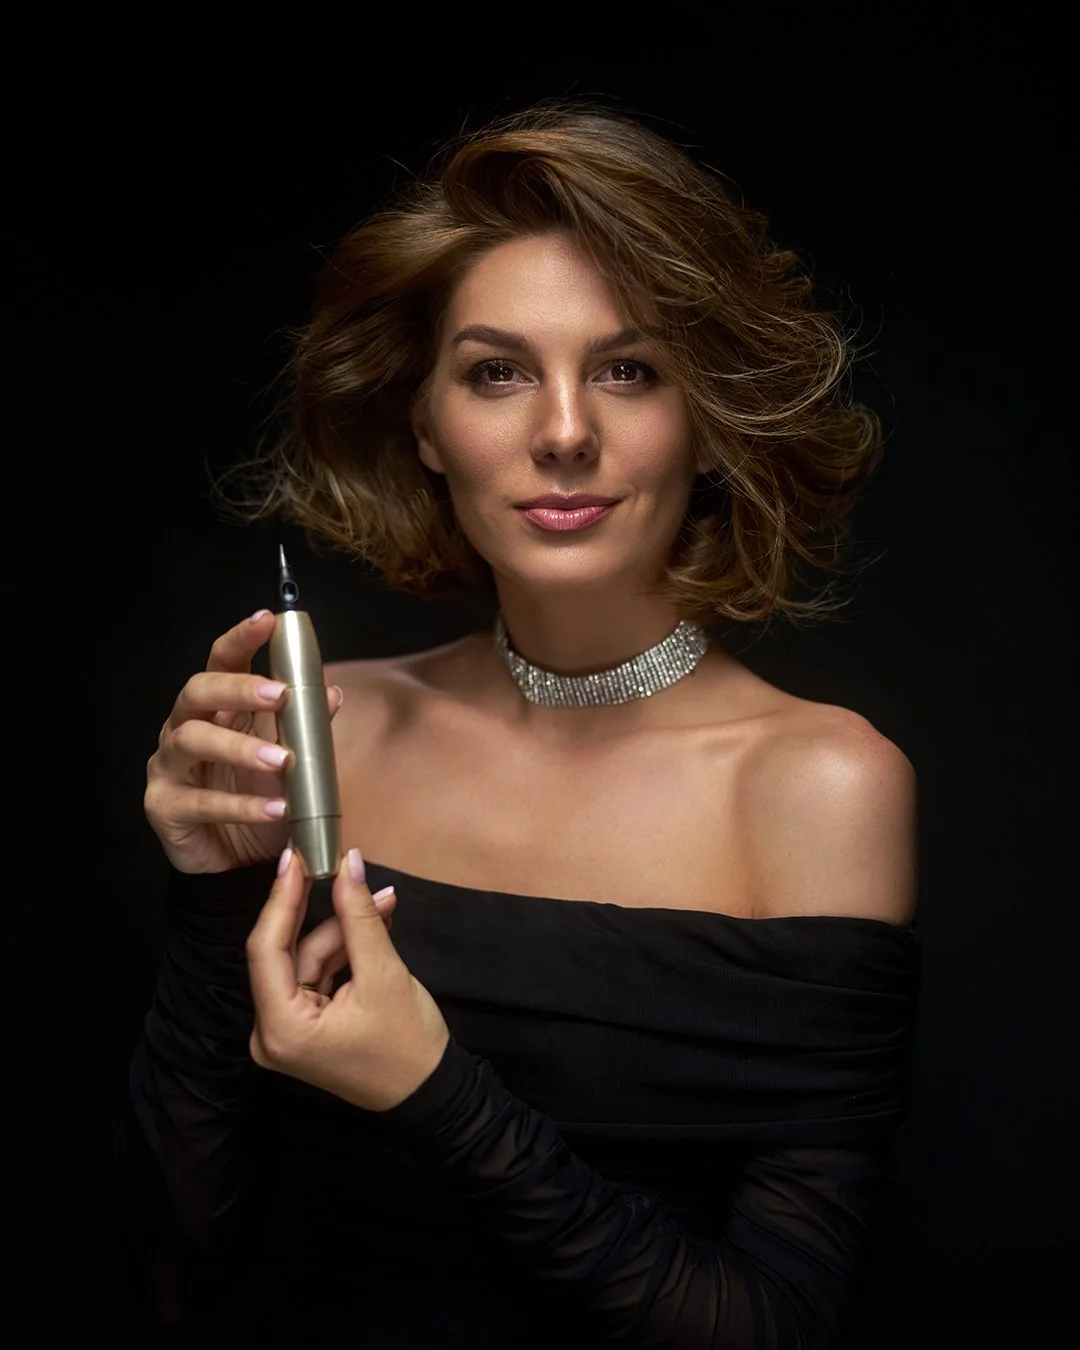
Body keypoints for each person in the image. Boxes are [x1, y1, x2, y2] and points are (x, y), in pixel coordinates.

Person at [119, 102, 920, 1347]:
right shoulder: (332, 732)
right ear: (426, 425)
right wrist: (210, 904)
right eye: (497, 371)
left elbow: (776, 1326)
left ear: (706, 420)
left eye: (629, 369)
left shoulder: (819, 786)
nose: (562, 432)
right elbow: (188, 1248)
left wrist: (435, 1092)